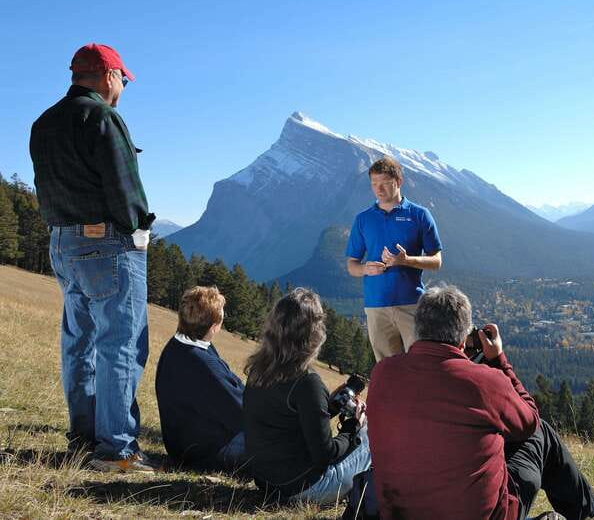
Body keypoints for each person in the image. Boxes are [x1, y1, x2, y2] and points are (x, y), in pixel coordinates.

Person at [366, 285, 594, 520]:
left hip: (401, 513)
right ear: (463, 339)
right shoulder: (484, 381)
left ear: (417, 329)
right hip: (485, 514)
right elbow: (529, 422)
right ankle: (590, 513)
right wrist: (498, 361)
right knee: (542, 434)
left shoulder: (382, 373)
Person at [29, 43, 157, 472]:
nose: (123, 88)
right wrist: (138, 228)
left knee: (79, 341)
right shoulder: (103, 117)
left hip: (62, 242)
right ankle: (116, 448)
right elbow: (125, 186)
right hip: (107, 244)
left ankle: (83, 437)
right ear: (108, 76)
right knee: (120, 343)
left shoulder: (42, 123)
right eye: (122, 79)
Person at [243, 288, 371, 504]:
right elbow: (325, 455)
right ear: (313, 334)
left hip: (267, 483)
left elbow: (287, 422)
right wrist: (353, 428)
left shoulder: (258, 370)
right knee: (373, 431)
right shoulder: (306, 382)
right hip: (306, 489)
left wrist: (326, 407)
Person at [345, 156, 443, 361]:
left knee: (421, 367)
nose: (378, 189)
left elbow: (436, 261)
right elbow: (351, 265)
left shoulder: (420, 215)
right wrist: (365, 269)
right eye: (374, 184)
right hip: (376, 307)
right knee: (388, 372)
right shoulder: (363, 219)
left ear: (398, 182)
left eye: (384, 183)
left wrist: (406, 260)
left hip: (412, 305)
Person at [155, 286, 250, 474]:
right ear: (214, 327)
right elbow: (242, 414)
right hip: (207, 452)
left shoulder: (176, 346)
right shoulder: (203, 362)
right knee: (279, 448)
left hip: (182, 444)